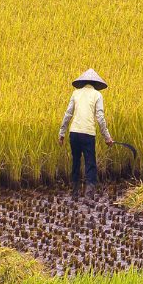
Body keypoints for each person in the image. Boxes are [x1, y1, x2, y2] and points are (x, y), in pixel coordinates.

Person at [58, 68, 114, 197]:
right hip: (88, 134)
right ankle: (89, 194)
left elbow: (68, 114)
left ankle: (75, 191)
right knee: (90, 163)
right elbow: (100, 117)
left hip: (74, 133)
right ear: (96, 84)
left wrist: (61, 133)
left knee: (76, 161)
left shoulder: (76, 93)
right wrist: (107, 137)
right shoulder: (97, 95)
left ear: (83, 82)